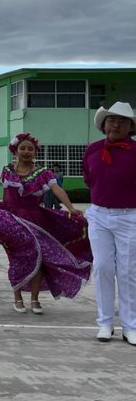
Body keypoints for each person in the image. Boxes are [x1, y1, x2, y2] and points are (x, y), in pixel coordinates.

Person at [0, 134, 89, 314]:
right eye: (23, 148)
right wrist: (2, 215)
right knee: (15, 259)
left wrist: (71, 208)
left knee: (38, 259)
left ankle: (34, 299)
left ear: (35, 152)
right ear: (15, 151)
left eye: (30, 149)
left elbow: (57, 189)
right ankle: (17, 298)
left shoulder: (42, 172)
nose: (26, 152)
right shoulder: (7, 170)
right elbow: (6, 196)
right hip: (12, 221)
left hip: (36, 221)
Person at [83, 102, 136, 344]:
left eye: (122, 121)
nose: (116, 124)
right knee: (103, 267)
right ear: (104, 124)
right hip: (99, 214)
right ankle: (105, 323)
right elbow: (89, 180)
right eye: (112, 120)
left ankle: (130, 326)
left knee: (128, 272)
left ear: (130, 127)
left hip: (130, 216)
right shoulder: (92, 150)